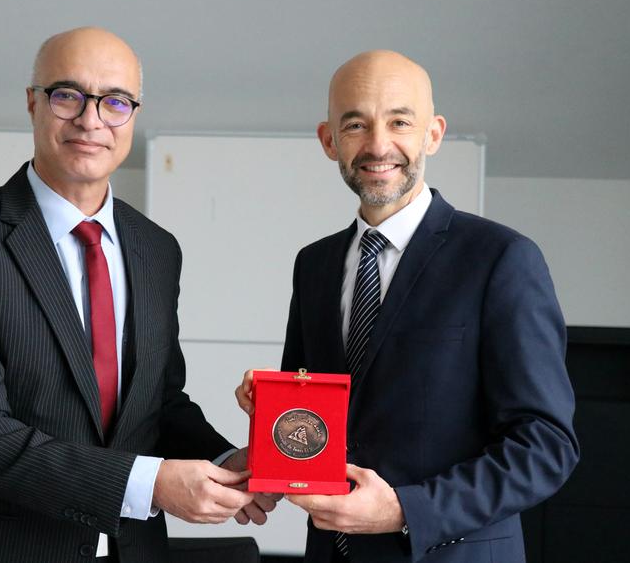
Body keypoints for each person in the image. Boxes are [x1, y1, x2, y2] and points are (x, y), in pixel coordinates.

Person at [0, 27, 274, 563]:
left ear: (133, 115)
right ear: (33, 103)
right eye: (67, 95)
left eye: (115, 101)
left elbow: (159, 403)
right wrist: (151, 485)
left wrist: (228, 459)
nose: (91, 119)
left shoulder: (156, 248)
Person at [236, 50, 579, 562]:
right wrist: (275, 428)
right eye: (355, 124)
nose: (378, 145)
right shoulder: (314, 265)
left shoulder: (502, 259)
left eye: (400, 121)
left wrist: (405, 510)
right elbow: (320, 415)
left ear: (433, 134)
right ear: (329, 141)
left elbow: (546, 446)